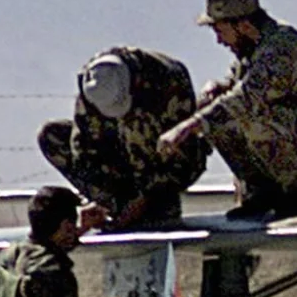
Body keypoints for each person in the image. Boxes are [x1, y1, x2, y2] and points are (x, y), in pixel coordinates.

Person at [159, 0, 297, 221]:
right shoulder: (253, 49)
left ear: (242, 25)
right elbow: (235, 86)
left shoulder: (281, 48)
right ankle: (264, 192)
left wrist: (186, 128)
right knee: (218, 114)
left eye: (220, 31)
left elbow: (244, 99)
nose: (219, 41)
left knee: (243, 115)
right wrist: (217, 89)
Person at [37, 47, 206, 229]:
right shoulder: (93, 85)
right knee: (52, 136)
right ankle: (116, 206)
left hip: (160, 165)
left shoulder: (169, 79)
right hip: (120, 164)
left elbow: (186, 154)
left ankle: (156, 206)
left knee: (141, 135)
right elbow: (84, 149)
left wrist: (145, 198)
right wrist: (100, 198)